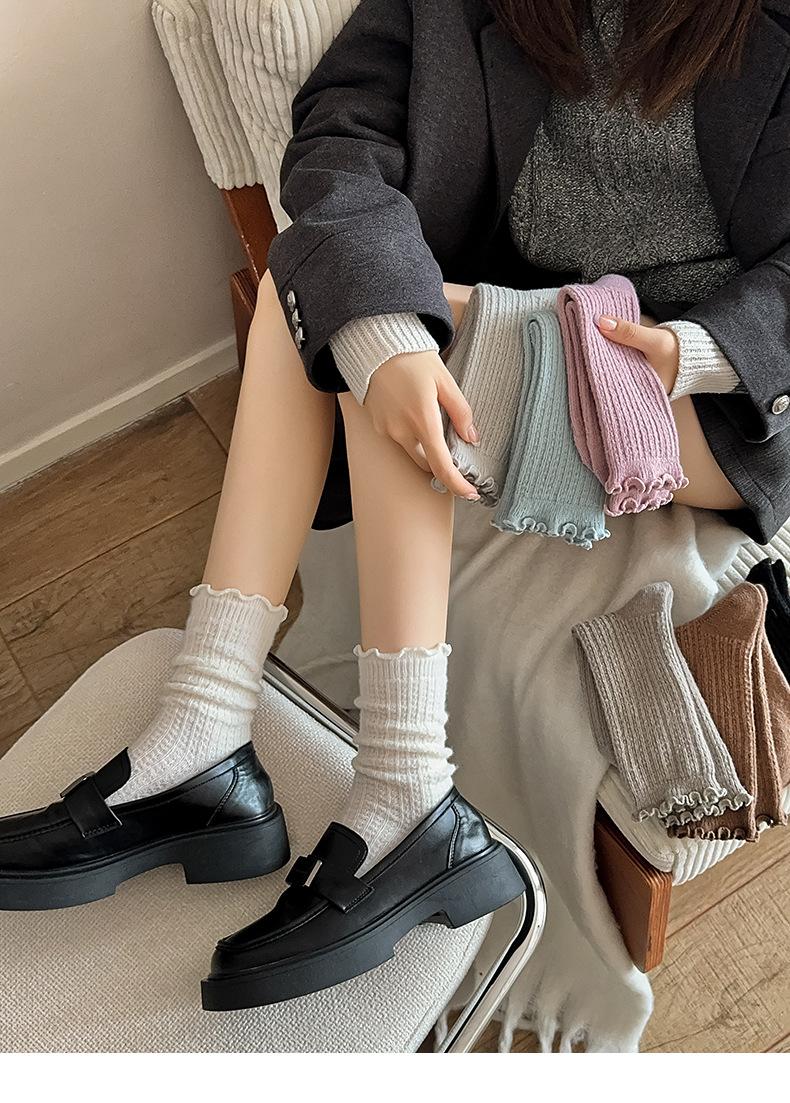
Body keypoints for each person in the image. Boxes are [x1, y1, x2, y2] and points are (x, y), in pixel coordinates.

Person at [1, 0, 788, 1015]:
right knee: (351, 290)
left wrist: (702, 353)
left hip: (691, 385)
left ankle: (356, 776)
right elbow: (339, 129)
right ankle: (220, 728)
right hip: (519, 318)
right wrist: (385, 330)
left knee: (360, 304)